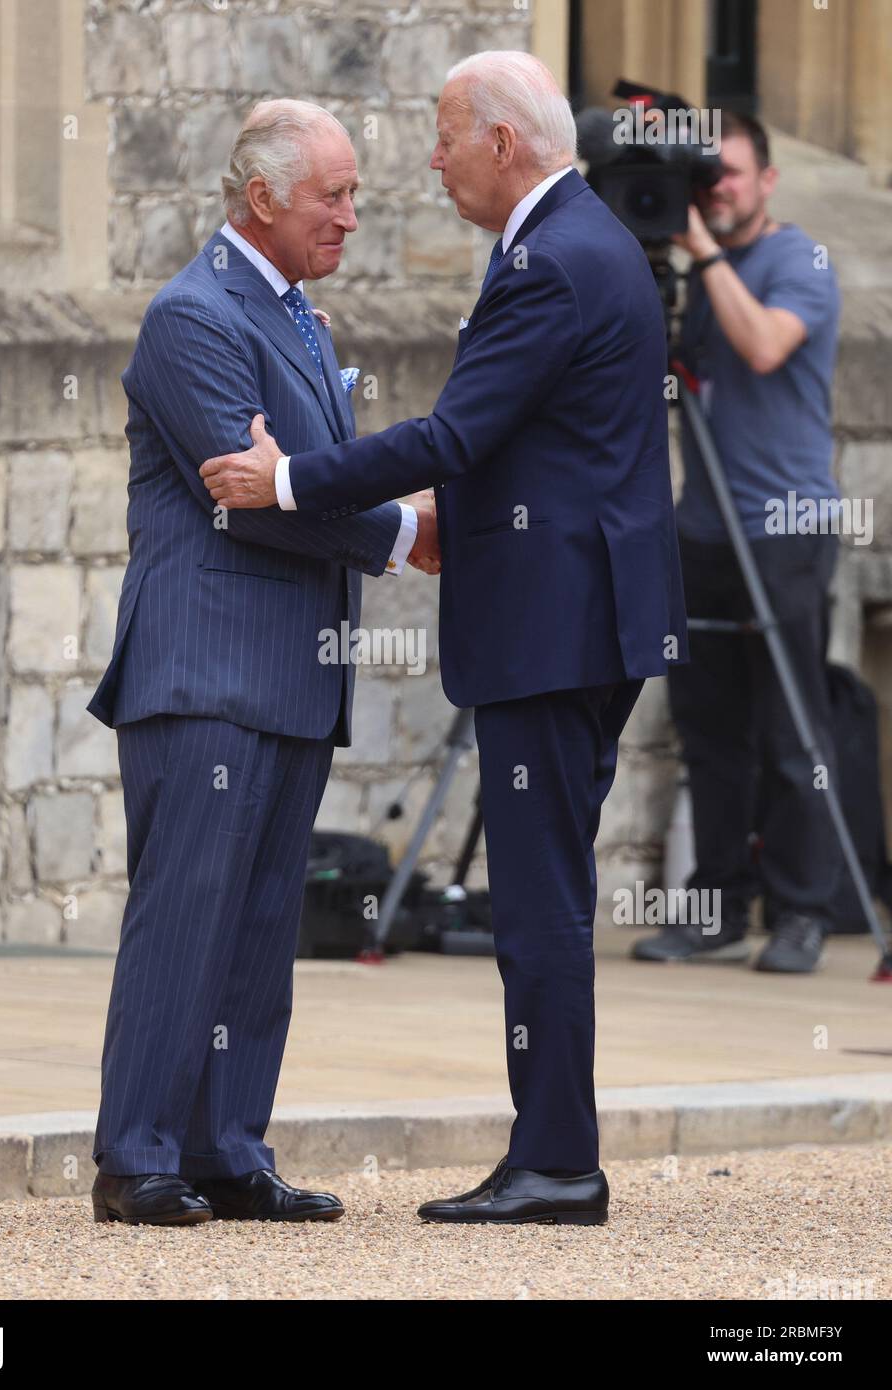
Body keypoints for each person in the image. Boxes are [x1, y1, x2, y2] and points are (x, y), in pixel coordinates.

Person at [201, 51, 688, 1225]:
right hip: (580, 616)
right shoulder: (577, 241)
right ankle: (550, 1148)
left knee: (537, 901)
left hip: (554, 627)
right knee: (542, 891)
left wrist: (292, 480)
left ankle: (558, 1159)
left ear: (502, 145)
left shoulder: (551, 261)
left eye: (442, 134)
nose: (429, 157)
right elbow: (535, 442)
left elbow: (458, 431)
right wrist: (424, 521)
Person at [86, 99, 438, 1226]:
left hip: (291, 669)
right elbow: (256, 498)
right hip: (205, 668)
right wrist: (397, 532)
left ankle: (226, 1148)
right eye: (330, 195)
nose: (349, 213)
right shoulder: (192, 316)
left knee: (257, 931)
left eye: (351, 193)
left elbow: (306, 474)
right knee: (185, 915)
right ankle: (135, 1157)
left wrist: (335, 487)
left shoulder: (299, 318)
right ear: (262, 201)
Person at [632, 111, 842, 975]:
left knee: (793, 733)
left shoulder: (801, 263)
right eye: (704, 174)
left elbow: (761, 346)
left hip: (786, 527)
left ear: (768, 179)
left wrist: (702, 253)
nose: (717, 188)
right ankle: (715, 904)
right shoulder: (696, 274)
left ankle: (801, 912)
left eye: (731, 173)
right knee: (708, 731)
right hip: (703, 529)